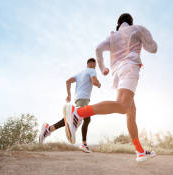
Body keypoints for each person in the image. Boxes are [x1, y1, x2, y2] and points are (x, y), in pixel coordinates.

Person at [63, 13, 158, 162]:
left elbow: (98, 49)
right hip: (130, 67)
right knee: (122, 107)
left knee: (131, 111)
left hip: (118, 73)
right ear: (130, 22)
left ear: (118, 23)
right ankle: (78, 113)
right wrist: (145, 41)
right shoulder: (137, 29)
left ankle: (139, 151)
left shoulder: (113, 37)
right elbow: (153, 48)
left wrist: (102, 68)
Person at [40, 58, 101, 153]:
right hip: (83, 99)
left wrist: (69, 95)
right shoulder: (92, 70)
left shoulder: (80, 74)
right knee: (79, 118)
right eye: (95, 65)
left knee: (81, 118)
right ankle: (83, 144)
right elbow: (94, 81)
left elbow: (67, 81)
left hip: (78, 99)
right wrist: (99, 84)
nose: (95, 67)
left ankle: (49, 129)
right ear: (92, 64)